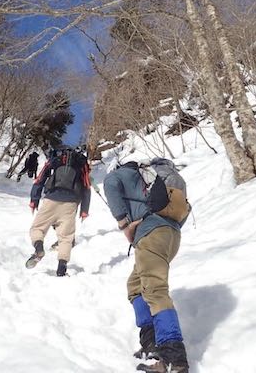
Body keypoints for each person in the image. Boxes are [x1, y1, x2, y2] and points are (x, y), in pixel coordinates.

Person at [103, 160, 189, 373]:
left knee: (154, 289)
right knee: (135, 285)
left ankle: (173, 358)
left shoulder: (122, 173)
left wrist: (124, 224)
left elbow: (109, 183)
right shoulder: (157, 179)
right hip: (171, 235)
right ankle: (151, 344)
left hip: (151, 233)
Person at [25, 146, 91, 277]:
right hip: (71, 203)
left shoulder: (56, 159)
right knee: (66, 237)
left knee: (38, 228)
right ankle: (62, 267)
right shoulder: (80, 163)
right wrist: (84, 210)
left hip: (51, 199)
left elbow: (40, 178)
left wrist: (34, 199)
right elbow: (86, 186)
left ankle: (38, 248)